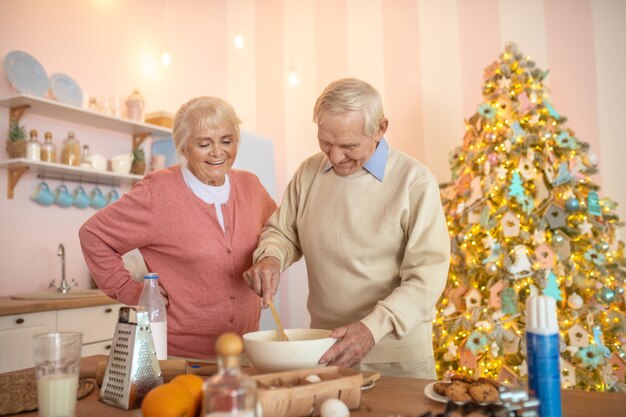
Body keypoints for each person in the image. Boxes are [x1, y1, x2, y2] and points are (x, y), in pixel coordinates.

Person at [243, 78, 450, 378]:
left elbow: (427, 278)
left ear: (380, 129)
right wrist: (271, 258)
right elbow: (283, 233)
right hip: (325, 353)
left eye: (349, 146)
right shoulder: (308, 172)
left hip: (397, 358)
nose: (335, 156)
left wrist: (372, 328)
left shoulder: (415, 181)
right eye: (326, 142)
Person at [79, 96, 277, 358]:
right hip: (180, 357)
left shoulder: (251, 186)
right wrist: (134, 292)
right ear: (184, 147)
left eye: (226, 141)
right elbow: (93, 235)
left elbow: (280, 232)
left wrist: (270, 260)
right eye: (204, 144)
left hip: (246, 351)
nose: (218, 152)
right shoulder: (157, 192)